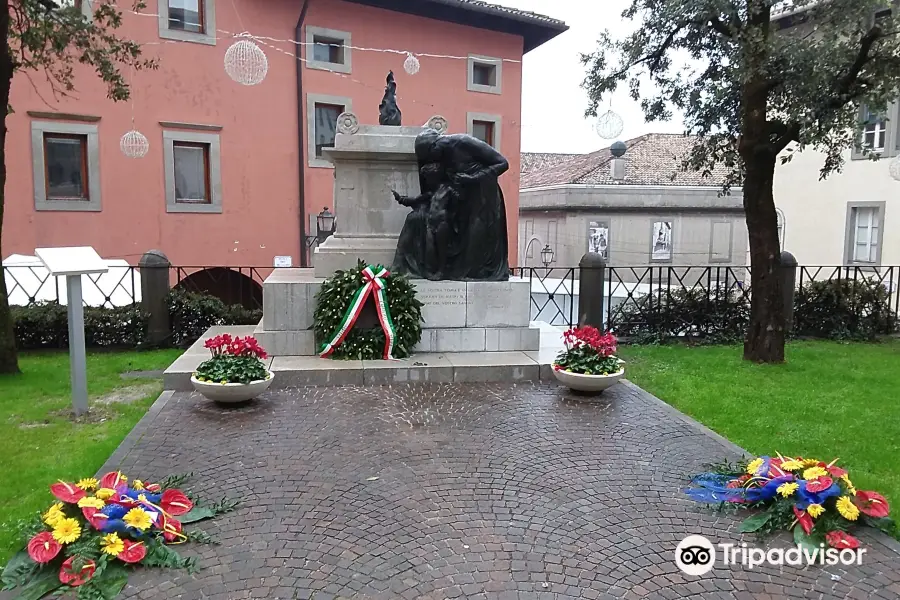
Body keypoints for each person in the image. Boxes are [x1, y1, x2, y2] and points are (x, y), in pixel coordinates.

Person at [392, 128, 510, 281]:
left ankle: (475, 272)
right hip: (463, 196)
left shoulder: (464, 142)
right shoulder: (441, 156)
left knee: (477, 234)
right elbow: (431, 192)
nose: (432, 161)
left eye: (430, 156)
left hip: (484, 195)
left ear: (435, 146)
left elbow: (503, 163)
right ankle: (452, 270)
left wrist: (474, 178)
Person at [392, 162, 458, 280]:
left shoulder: (448, 189)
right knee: (430, 248)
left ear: (435, 176)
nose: (427, 181)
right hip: (431, 222)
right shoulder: (431, 193)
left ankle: (441, 271)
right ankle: (431, 270)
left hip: (442, 222)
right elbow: (415, 201)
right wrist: (400, 199)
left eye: (429, 178)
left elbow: (459, 203)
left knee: (441, 248)